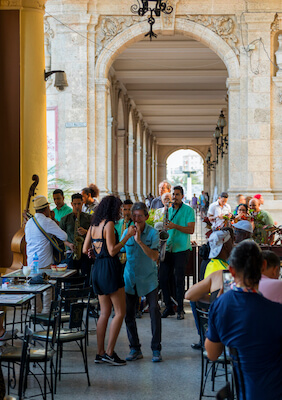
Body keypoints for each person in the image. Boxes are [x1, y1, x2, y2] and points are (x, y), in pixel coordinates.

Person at [205, 240, 282, 400]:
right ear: (263, 267)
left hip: (245, 393)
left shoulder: (221, 306)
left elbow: (212, 354)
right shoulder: (277, 312)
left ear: (231, 271)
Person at [83, 195, 135, 366]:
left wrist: (94, 251)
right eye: (119, 208)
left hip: (97, 268)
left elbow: (85, 249)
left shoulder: (93, 225)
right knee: (120, 312)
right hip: (110, 268)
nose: (120, 210)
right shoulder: (109, 224)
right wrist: (127, 237)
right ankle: (110, 353)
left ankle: (99, 353)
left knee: (104, 313)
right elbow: (113, 251)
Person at [121, 202, 162, 362]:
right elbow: (119, 249)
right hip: (130, 278)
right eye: (134, 216)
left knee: (154, 311)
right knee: (128, 314)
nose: (136, 219)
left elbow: (154, 256)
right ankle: (134, 348)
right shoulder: (127, 231)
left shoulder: (153, 234)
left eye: (139, 216)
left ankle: (156, 349)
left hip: (149, 279)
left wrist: (139, 241)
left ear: (146, 217)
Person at [25, 195, 69, 313]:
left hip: (31, 262)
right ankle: (46, 314)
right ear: (46, 209)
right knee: (47, 289)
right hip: (44, 261)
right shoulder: (47, 222)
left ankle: (35, 314)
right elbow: (64, 236)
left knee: (33, 288)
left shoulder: (29, 223)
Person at [160, 185, 195, 320]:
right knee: (163, 278)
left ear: (182, 196)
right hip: (168, 248)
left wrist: (175, 226)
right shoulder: (167, 210)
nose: (175, 197)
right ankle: (169, 306)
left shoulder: (188, 210)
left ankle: (180, 308)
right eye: (173, 194)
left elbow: (191, 230)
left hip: (181, 249)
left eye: (178, 194)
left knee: (179, 279)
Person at [60, 193, 92, 280]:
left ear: (82, 203)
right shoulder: (65, 219)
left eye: (79, 204)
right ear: (71, 204)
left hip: (85, 252)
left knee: (86, 277)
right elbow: (60, 238)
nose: (77, 206)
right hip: (71, 253)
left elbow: (95, 234)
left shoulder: (89, 218)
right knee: (71, 278)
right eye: (75, 204)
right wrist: (69, 245)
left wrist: (86, 232)